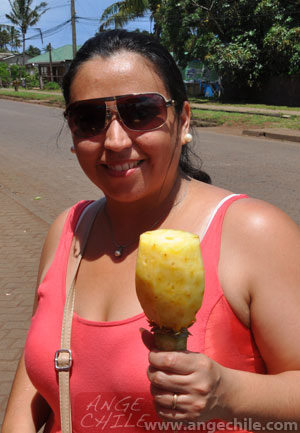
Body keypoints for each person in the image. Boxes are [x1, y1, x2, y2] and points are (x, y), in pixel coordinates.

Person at [2, 29, 300, 433]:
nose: (115, 140)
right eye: (89, 119)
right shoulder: (68, 231)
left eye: (140, 111)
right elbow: (32, 385)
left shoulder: (253, 232)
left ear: (183, 118)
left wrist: (229, 393)